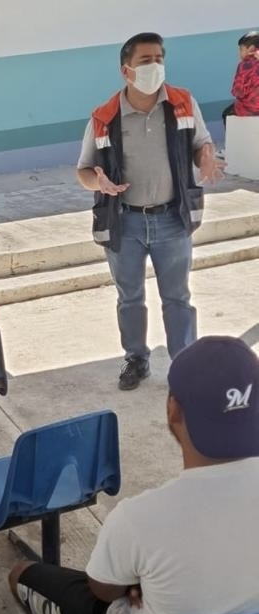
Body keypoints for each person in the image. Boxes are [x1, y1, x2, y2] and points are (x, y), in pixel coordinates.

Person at [8, 335, 259, 614]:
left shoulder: (140, 518)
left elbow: (102, 591)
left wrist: (135, 583)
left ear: (172, 409)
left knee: (20, 574)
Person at [76, 31, 224, 391]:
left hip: (172, 218)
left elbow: (201, 142)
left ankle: (184, 364)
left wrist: (205, 155)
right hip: (124, 221)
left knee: (178, 297)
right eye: (145, 60)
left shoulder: (182, 103)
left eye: (159, 59)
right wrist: (99, 183)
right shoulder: (104, 117)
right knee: (130, 297)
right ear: (126, 70)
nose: (155, 66)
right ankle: (136, 358)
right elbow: (84, 171)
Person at [223, 30, 259, 127]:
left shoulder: (243, 65)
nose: (239, 53)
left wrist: (235, 92)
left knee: (225, 113)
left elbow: (238, 91)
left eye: (241, 49)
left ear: (251, 49)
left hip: (248, 110)